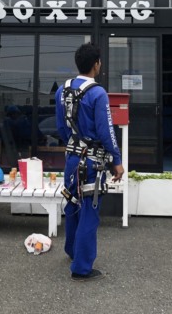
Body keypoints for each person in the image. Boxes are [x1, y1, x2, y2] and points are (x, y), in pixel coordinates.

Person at [55, 42, 124, 281]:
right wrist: (116, 160)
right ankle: (82, 268)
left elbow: (60, 127)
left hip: (72, 158)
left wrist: (74, 145)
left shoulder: (62, 90)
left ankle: (72, 250)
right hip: (92, 162)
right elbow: (106, 131)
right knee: (89, 212)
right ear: (96, 64)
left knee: (72, 202)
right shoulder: (97, 93)